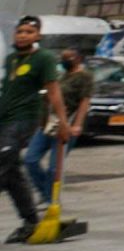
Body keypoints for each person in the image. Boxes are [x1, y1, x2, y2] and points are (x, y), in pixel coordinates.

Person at [2, 17, 68, 242]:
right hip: (4, 119)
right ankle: (31, 221)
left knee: (2, 162)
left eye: (29, 31)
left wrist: (63, 123)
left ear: (38, 36)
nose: (23, 35)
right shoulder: (11, 59)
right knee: (12, 174)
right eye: (20, 31)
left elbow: (53, 92)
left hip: (23, 120)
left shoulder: (44, 58)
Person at [26, 46, 89, 198]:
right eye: (62, 58)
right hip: (49, 122)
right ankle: (45, 193)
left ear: (78, 59)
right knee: (31, 159)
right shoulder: (60, 75)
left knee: (55, 167)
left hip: (66, 123)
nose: (64, 61)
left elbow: (85, 102)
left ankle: (50, 200)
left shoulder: (84, 77)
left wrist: (77, 124)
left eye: (68, 58)